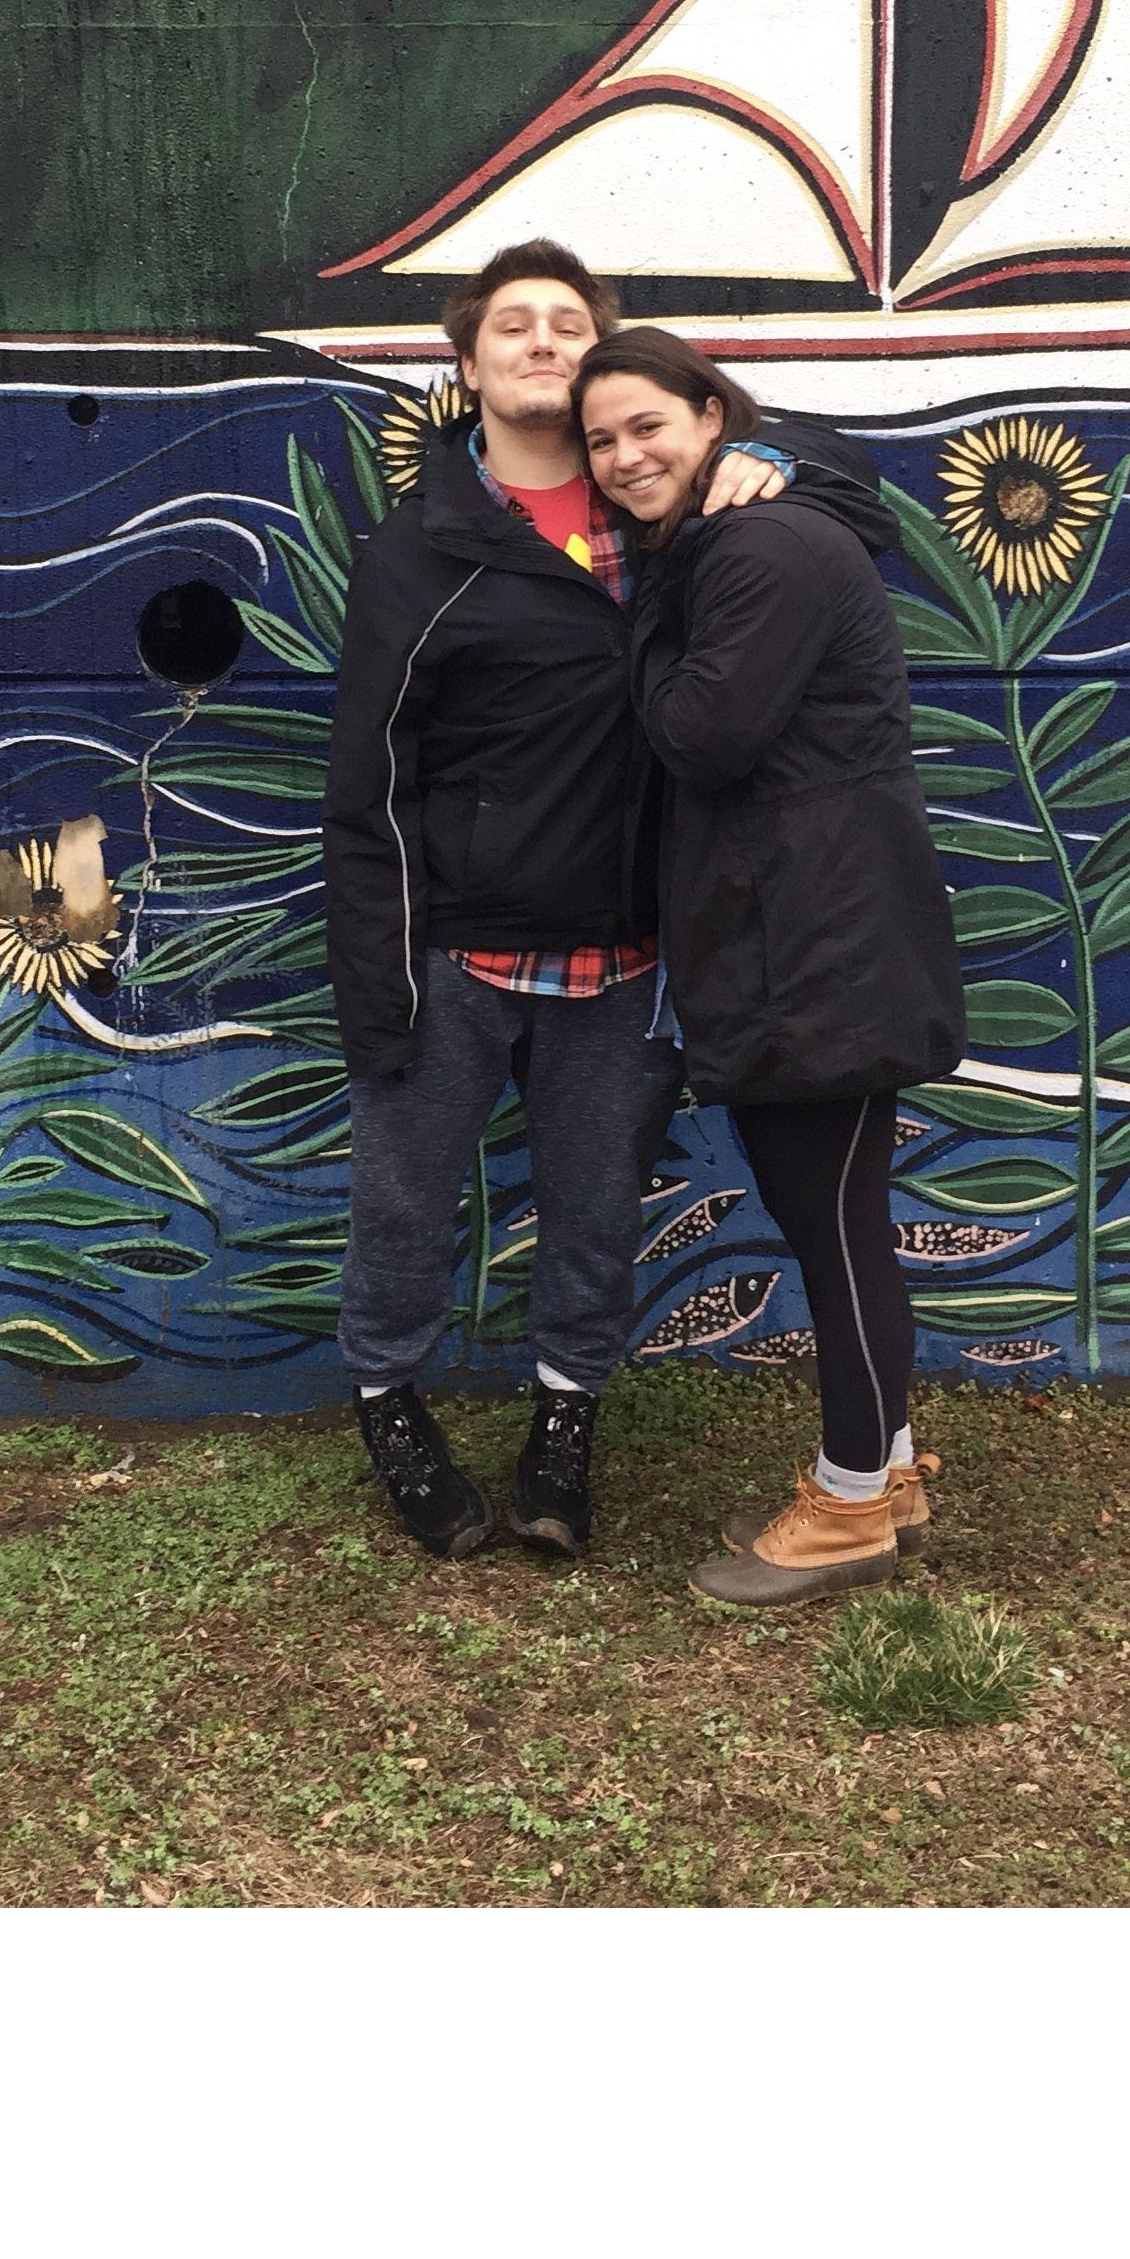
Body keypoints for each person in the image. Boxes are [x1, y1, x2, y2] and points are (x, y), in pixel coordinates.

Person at [320, 241, 811, 1559]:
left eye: (567, 323)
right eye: (513, 324)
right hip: (458, 962)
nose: (542, 339)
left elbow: (858, 508)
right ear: (467, 363)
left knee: (594, 1217)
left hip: (629, 961)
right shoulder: (419, 552)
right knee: (405, 1210)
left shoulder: (671, 517)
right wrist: (381, 990)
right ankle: (388, 1404)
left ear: (600, 360)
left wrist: (782, 463)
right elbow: (368, 789)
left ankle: (563, 1424)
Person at [575, 326, 966, 1605]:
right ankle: (886, 1476)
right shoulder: (753, 531)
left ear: (711, 416)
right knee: (835, 1222)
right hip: (809, 936)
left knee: (837, 1233)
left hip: (818, 947)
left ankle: (850, 1505)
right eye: (602, 441)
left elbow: (703, 733)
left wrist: (644, 615)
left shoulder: (755, 547)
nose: (626, 458)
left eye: (648, 427)